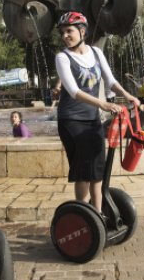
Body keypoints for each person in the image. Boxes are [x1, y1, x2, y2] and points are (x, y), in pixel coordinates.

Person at [54, 11, 139, 213]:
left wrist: (128, 95)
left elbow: (111, 81)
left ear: (82, 31)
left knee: (97, 170)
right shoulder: (62, 57)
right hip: (71, 120)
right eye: (62, 32)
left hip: (92, 119)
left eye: (69, 31)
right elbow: (73, 91)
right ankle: (83, 216)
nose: (65, 35)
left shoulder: (96, 53)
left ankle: (98, 215)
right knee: (83, 170)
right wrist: (103, 104)